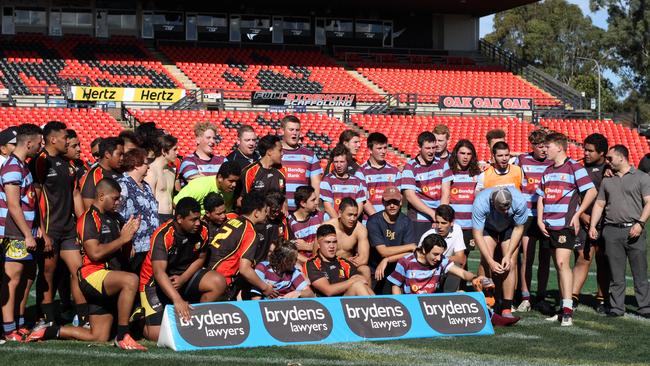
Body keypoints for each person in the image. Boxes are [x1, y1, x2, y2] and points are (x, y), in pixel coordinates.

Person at [27, 178, 145, 350]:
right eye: (115, 198)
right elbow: (94, 253)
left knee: (98, 336)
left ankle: (51, 331)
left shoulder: (115, 218)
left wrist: (128, 240)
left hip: (109, 277)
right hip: (92, 276)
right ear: (101, 196)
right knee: (131, 280)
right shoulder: (89, 218)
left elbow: (125, 255)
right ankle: (123, 336)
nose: (118, 202)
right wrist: (122, 240)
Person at [139, 197, 227, 342]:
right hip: (153, 283)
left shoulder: (203, 229)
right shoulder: (163, 235)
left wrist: (183, 278)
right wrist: (177, 299)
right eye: (193, 220)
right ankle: (139, 317)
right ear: (179, 218)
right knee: (158, 335)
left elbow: (200, 258)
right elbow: (159, 272)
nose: (198, 223)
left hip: (183, 278)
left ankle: (200, 321)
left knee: (218, 282)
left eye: (198, 218)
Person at [537, 132, 596, 326]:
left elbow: (591, 191)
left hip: (564, 225)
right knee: (559, 266)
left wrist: (578, 214)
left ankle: (568, 311)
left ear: (559, 148)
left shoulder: (574, 167)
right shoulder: (547, 171)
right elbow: (541, 197)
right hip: (548, 225)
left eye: (548, 147)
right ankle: (563, 309)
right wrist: (539, 220)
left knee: (563, 265)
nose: (545, 150)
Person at [31, 121, 86, 326]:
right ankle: (45, 318)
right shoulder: (40, 161)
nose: (67, 141)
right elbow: (35, 198)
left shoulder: (69, 165)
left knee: (78, 270)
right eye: (64, 138)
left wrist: (81, 225)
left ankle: (83, 317)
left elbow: (75, 195)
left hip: (69, 230)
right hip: (49, 229)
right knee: (48, 273)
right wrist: (41, 231)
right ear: (53, 139)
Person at [589, 145, 650, 318]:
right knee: (616, 274)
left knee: (640, 272)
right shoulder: (607, 179)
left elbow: (649, 202)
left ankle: (645, 307)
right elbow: (600, 204)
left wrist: (640, 223)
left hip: (634, 229)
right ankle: (617, 308)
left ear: (621, 158)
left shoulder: (642, 177)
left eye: (610, 158)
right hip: (611, 231)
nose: (607, 161)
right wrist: (593, 225)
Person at [0, 124, 42, 341]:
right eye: (38, 143)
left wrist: (36, 229)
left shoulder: (22, 165)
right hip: (15, 231)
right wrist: (27, 234)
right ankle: (8, 330)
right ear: (28, 143)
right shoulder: (13, 167)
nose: (40, 147)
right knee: (12, 280)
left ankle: (17, 323)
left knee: (25, 278)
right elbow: (14, 205)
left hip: (25, 231)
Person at [208, 192, 277, 300]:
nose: (267, 214)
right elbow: (245, 269)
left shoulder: (231, 221)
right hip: (222, 282)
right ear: (256, 213)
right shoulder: (250, 232)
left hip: (208, 275)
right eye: (265, 211)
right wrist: (265, 288)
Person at [472, 186, 528, 319]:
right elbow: (477, 234)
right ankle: (486, 301)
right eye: (503, 209)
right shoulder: (480, 202)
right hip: (488, 227)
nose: (507, 211)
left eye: (508, 208)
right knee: (486, 260)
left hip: (509, 228)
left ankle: (506, 307)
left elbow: (519, 229)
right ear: (493, 203)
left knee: (510, 263)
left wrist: (508, 255)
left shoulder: (520, 201)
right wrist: (490, 261)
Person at [513, 130, 553, 312]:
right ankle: (526, 296)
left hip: (547, 217)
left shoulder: (554, 162)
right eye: (539, 146)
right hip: (528, 215)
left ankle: (541, 296)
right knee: (527, 258)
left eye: (546, 145)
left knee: (545, 258)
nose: (543, 150)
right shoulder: (522, 160)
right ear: (532, 146)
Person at [573, 133, 610, 313]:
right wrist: (582, 216)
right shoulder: (578, 168)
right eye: (584, 149)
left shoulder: (610, 169)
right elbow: (574, 197)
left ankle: (602, 299)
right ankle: (572, 297)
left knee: (603, 260)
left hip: (606, 223)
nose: (586, 153)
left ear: (602, 153)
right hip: (582, 220)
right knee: (583, 257)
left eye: (590, 151)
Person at [388, 233, 485, 295]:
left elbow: (462, 273)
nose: (438, 258)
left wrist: (474, 278)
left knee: (461, 294)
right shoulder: (405, 262)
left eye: (441, 254)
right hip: (411, 304)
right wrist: (402, 305)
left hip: (431, 305)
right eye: (435, 254)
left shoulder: (441, 260)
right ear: (425, 250)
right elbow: (396, 285)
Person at [116, 148, 159, 274]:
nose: (149, 167)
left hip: (150, 246)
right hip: (135, 246)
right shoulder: (122, 185)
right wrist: (127, 242)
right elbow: (117, 216)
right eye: (146, 163)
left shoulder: (146, 185)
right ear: (136, 165)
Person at [367, 186, 417, 294]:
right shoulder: (374, 221)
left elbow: (410, 253)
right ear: (383, 203)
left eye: (395, 202)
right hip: (375, 268)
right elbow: (383, 251)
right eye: (389, 202)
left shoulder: (406, 221)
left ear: (400, 203)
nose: (392, 206)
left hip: (397, 267)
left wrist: (387, 260)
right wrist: (411, 246)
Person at [401, 131, 451, 238]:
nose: (431, 151)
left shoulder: (443, 164)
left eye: (433, 148)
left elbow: (446, 192)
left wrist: (440, 216)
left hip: (439, 218)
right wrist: (432, 214)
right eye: (428, 148)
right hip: (419, 219)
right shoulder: (410, 167)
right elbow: (410, 196)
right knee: (419, 252)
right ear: (420, 147)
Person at [304, 224, 374, 297]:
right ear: (318, 244)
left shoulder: (343, 262)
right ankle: (375, 306)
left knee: (361, 284)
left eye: (334, 242)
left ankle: (378, 305)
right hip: (326, 305)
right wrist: (353, 281)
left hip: (345, 303)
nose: (332, 246)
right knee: (357, 285)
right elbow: (328, 291)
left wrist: (357, 280)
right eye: (327, 242)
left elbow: (360, 279)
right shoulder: (311, 264)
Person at [441, 139, 481, 258]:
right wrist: (443, 220)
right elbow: (445, 196)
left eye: (469, 154)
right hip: (454, 224)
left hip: (470, 224)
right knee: (450, 257)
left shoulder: (476, 172)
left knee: (463, 258)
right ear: (456, 154)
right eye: (462, 153)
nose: (465, 157)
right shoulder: (449, 170)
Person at [418, 205, 467, 292]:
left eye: (443, 223)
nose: (439, 226)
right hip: (427, 272)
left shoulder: (457, 229)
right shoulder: (427, 236)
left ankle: (449, 297)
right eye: (437, 222)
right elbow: (419, 262)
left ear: (452, 223)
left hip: (443, 269)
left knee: (456, 265)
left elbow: (460, 258)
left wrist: (440, 259)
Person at [279, 115, 322, 211]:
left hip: (302, 210)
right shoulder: (274, 153)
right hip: (279, 209)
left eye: (297, 130)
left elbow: (316, 182)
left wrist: (315, 202)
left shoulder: (310, 155)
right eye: (291, 129)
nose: (294, 133)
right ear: (282, 131)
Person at [323, 198, 371, 283]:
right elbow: (316, 255)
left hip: (349, 267)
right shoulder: (327, 227)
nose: (352, 219)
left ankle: (368, 296)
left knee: (365, 269)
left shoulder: (360, 229)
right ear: (340, 213)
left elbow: (364, 259)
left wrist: (346, 264)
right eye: (349, 215)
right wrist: (342, 262)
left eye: (355, 215)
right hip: (328, 266)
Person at [358, 132, 401, 220]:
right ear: (370, 150)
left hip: (391, 221)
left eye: (385, 148)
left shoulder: (394, 171)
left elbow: (399, 197)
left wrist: (389, 219)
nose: (383, 151)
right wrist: (379, 220)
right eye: (379, 148)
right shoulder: (361, 172)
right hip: (370, 221)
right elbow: (364, 201)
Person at [174, 161, 240, 214]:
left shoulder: (230, 189)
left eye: (236, 181)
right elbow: (176, 203)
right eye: (231, 181)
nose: (234, 185)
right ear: (220, 178)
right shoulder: (200, 186)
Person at [320, 145, 367, 219]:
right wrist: (340, 224)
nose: (338, 165)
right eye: (336, 162)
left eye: (342, 162)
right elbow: (328, 207)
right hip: (334, 224)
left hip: (352, 223)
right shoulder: (327, 181)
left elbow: (360, 204)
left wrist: (352, 220)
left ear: (347, 162)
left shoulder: (357, 181)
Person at [80, 136, 124, 210]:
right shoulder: (93, 176)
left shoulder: (121, 171)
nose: (122, 158)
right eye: (119, 154)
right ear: (107, 154)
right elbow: (89, 208)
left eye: (123, 155)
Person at [254, 191, 293, 266]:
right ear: (266, 207)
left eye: (279, 210)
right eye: (274, 210)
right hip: (257, 264)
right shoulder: (256, 222)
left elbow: (288, 243)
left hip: (277, 264)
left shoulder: (282, 221)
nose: (277, 213)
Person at [145, 134, 178, 223]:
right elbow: (149, 201)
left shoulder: (171, 171)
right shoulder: (151, 171)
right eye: (174, 150)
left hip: (171, 217)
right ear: (164, 151)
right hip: (158, 216)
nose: (177, 153)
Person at [288, 185, 325, 262]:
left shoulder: (319, 215)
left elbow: (327, 243)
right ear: (303, 203)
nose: (316, 202)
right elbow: (291, 252)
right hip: (302, 263)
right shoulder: (290, 222)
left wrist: (308, 247)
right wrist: (310, 263)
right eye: (313, 200)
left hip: (321, 260)